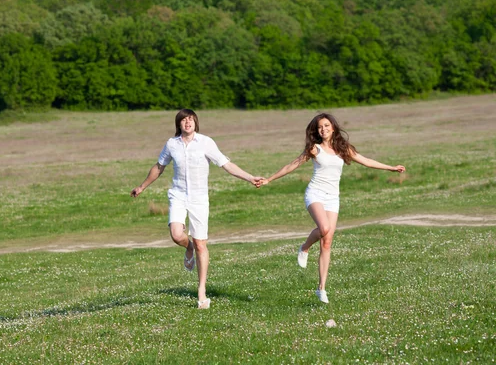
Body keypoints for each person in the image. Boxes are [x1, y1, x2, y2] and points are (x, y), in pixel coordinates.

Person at [256, 113, 405, 304]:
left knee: (327, 243)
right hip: (315, 194)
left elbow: (366, 160)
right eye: (320, 127)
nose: (323, 129)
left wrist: (391, 168)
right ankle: (304, 248)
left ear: (333, 128)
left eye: (326, 126)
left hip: (333, 198)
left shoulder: (343, 149)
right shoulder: (314, 149)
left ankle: (321, 289)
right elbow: (291, 165)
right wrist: (269, 179)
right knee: (324, 228)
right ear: (317, 131)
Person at [131, 109, 262, 309]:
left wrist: (250, 177)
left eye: (190, 119)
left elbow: (226, 164)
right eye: (183, 120)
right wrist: (142, 186)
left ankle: (201, 291)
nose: (187, 122)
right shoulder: (171, 144)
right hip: (178, 195)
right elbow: (159, 167)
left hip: (199, 199)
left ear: (196, 122)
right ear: (179, 125)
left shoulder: (206, 142)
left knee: (202, 244)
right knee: (176, 235)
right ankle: (188, 247)